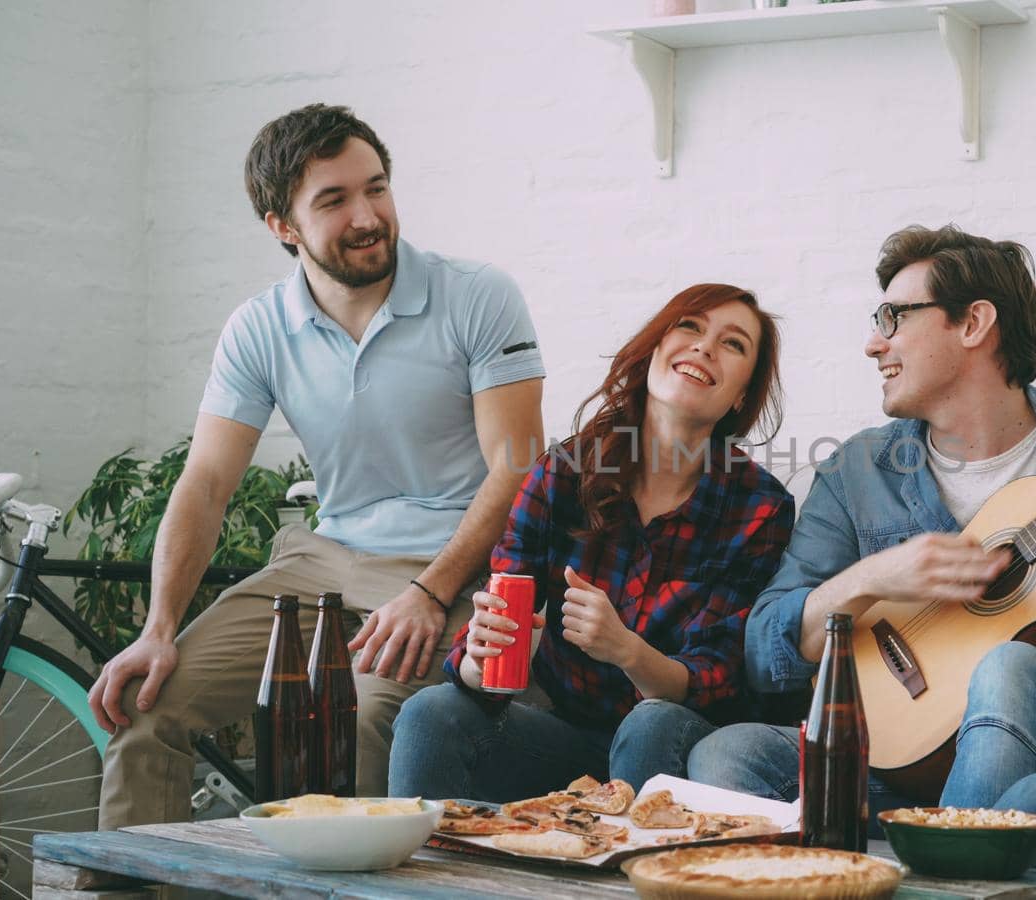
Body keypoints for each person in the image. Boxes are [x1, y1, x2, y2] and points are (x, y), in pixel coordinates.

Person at [88, 104, 547, 828]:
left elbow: (517, 467)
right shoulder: (259, 328)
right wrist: (158, 629)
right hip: (322, 562)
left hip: (451, 566)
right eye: (334, 200)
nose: (368, 215)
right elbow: (206, 484)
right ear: (283, 225)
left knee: (363, 717)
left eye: (377, 187)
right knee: (147, 707)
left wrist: (430, 593)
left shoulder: (476, 296)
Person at [687, 225, 1036, 844]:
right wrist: (872, 579)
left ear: (973, 324)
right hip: (903, 764)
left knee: (1008, 666)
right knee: (728, 756)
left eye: (893, 317)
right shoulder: (857, 473)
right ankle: (939, 847)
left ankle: (952, 869)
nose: (872, 344)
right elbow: (763, 654)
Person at [388, 284, 795, 799]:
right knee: (431, 712)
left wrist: (626, 649)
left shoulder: (759, 506)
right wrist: (481, 656)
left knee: (652, 723)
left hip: (678, 745)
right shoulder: (565, 472)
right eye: (690, 326)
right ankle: (430, 877)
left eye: (733, 344)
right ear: (654, 350)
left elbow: (717, 679)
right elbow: (487, 661)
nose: (705, 347)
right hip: (567, 740)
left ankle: (632, 877)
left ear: (741, 395)